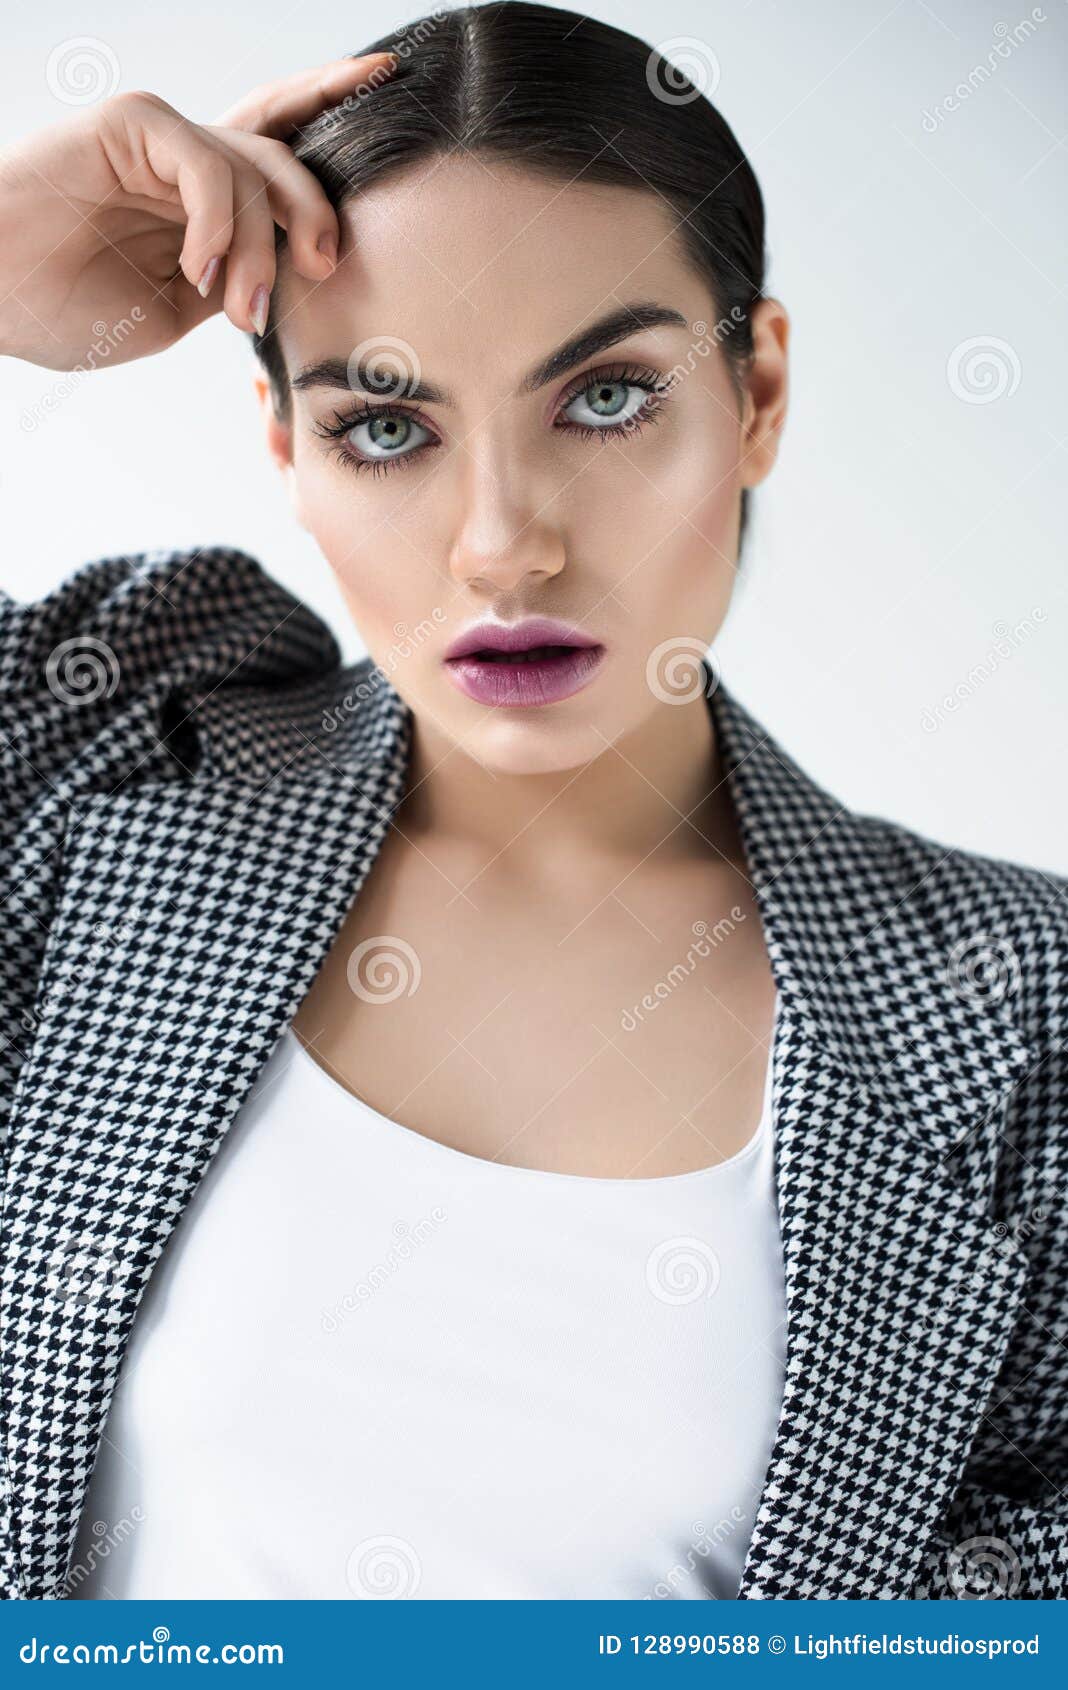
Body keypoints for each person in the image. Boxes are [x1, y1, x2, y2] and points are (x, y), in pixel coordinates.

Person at [0, 2, 1064, 1604]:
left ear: (756, 392)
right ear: (285, 445)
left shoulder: (1015, 1008)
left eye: (607, 397)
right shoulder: (110, 741)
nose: (505, 545)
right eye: (384, 425)